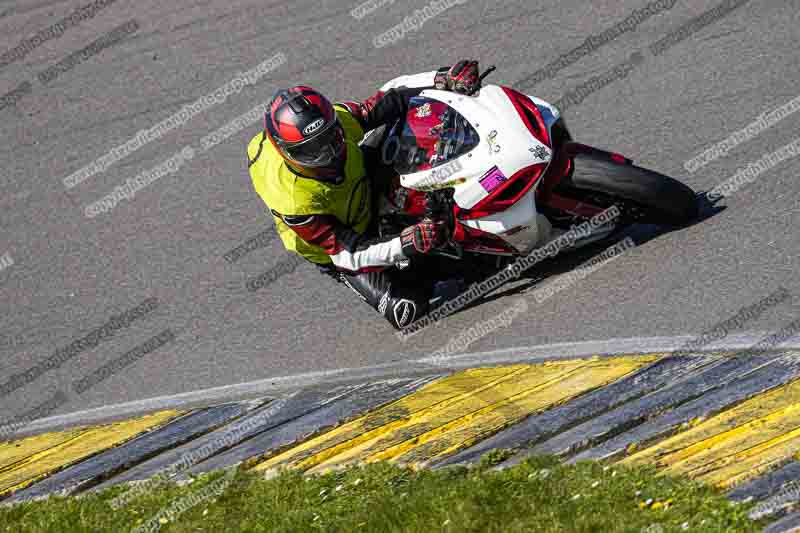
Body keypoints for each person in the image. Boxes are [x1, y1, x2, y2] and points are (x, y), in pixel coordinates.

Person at [247, 61, 481, 329]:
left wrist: (443, 78)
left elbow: (390, 96)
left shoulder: (339, 123)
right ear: (285, 153)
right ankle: (444, 256)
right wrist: (406, 244)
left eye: (330, 138)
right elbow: (347, 253)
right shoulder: (294, 201)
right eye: (312, 152)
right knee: (407, 311)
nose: (329, 155)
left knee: (407, 122)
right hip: (341, 244)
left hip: (361, 182)